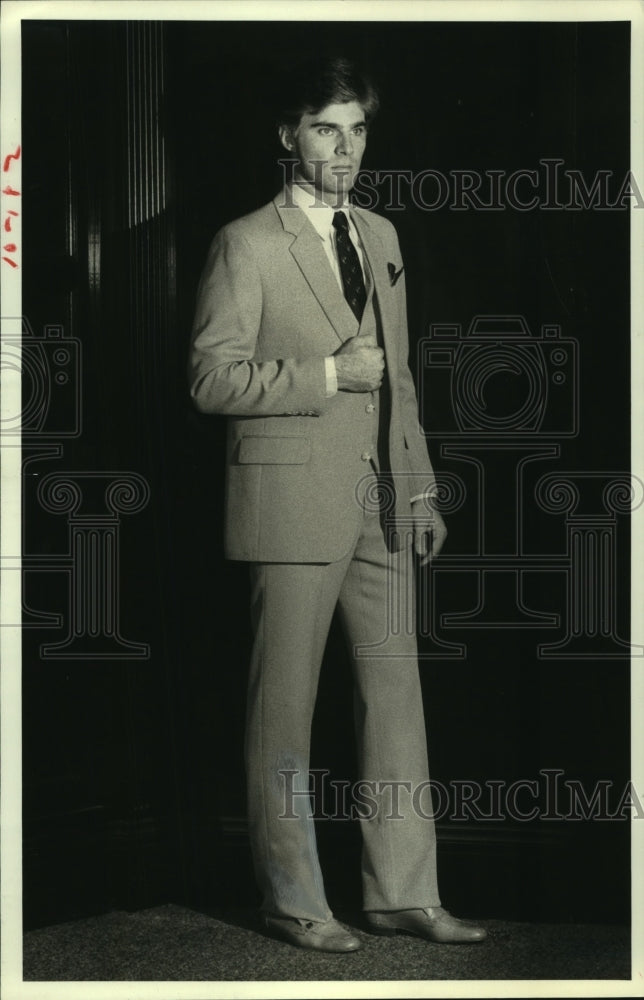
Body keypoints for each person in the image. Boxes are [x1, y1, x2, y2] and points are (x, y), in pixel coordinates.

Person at [188, 55, 486, 953]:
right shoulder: (246, 242)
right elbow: (209, 377)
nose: (346, 149)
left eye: (358, 130)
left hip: (382, 500)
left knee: (397, 699)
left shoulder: (383, 236)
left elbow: (397, 379)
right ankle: (293, 899)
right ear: (289, 136)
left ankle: (402, 892)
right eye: (327, 128)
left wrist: (421, 487)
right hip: (288, 505)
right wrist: (324, 374)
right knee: (283, 707)